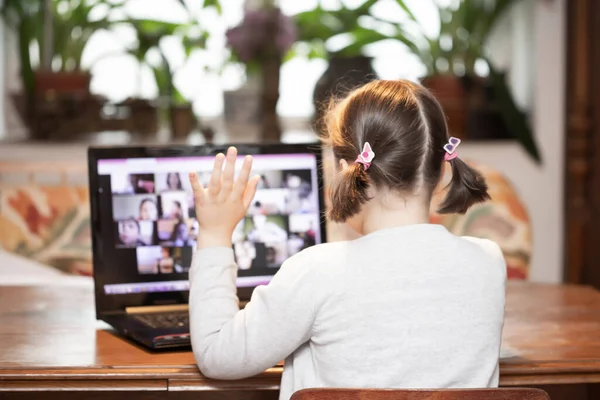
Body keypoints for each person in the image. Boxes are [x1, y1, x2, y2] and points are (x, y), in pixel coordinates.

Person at [187, 80, 506, 400]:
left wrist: (214, 234)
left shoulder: (316, 271)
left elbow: (217, 355)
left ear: (346, 172)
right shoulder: (489, 261)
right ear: (443, 172)